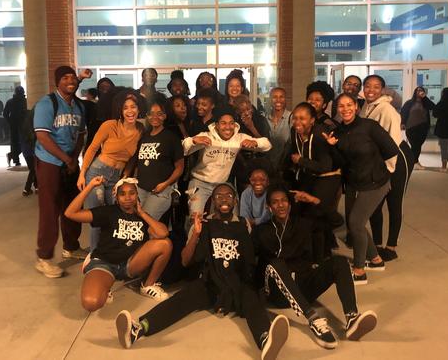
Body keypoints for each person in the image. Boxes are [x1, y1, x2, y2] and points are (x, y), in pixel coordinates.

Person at [114, 183, 290, 360]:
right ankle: (138, 329)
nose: (224, 199)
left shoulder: (243, 226)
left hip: (237, 282)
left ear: (235, 201)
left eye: (228, 195)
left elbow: (249, 262)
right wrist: (196, 234)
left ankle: (265, 339)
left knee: (252, 301)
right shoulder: (204, 225)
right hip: (210, 281)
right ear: (213, 201)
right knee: (181, 299)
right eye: (219, 196)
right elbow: (185, 261)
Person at [254, 184, 378, 349]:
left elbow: (337, 221)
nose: (281, 205)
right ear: (269, 207)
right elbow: (250, 260)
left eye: (284, 200)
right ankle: (313, 319)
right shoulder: (261, 231)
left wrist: (314, 201)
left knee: (339, 262)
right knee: (275, 264)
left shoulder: (303, 224)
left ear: (290, 204)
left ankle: (352, 318)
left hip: (304, 287)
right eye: (275, 202)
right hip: (278, 293)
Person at [323, 93, 398, 284]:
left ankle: (359, 270)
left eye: (349, 105)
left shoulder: (369, 127)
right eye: (341, 106)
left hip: (376, 182)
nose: (345, 109)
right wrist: (332, 147)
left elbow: (391, 149)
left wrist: (372, 164)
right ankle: (375, 260)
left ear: (356, 106)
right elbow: (340, 162)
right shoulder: (338, 132)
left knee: (355, 224)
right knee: (357, 223)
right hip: (355, 183)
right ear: (337, 109)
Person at [65, 177, 171, 308]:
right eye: (122, 194)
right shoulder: (109, 212)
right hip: (104, 263)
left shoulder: (143, 217)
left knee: (165, 244)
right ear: (116, 197)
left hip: (129, 264)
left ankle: (148, 285)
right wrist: (90, 186)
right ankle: (102, 284)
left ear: (137, 195)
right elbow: (70, 213)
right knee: (91, 303)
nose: (127, 197)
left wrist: (142, 213)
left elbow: (163, 233)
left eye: (132, 193)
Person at [33, 66, 88, 278]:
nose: (70, 81)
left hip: (71, 163)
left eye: (72, 77)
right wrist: (66, 159)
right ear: (58, 82)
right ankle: (44, 258)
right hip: (49, 163)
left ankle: (71, 247)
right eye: (64, 78)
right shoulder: (47, 103)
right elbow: (43, 137)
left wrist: (74, 158)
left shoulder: (78, 106)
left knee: (73, 205)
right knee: (50, 210)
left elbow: (81, 134)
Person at [78, 90, 145, 248]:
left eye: (133, 107)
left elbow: (134, 157)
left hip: (117, 177)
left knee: (117, 216)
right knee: (97, 219)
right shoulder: (110, 125)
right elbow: (92, 148)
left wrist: (126, 176)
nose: (130, 111)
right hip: (97, 173)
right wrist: (82, 174)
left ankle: (112, 251)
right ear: (120, 110)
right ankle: (94, 256)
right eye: (125, 108)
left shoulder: (141, 129)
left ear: (139, 108)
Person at [360, 75, 414, 262]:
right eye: (367, 86)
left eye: (376, 87)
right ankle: (377, 244)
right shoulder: (366, 108)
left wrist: (388, 171)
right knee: (375, 205)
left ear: (382, 90)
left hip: (398, 159)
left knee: (394, 202)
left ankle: (391, 246)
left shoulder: (387, 110)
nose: (371, 90)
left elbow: (392, 142)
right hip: (380, 161)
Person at [183, 109, 272, 219]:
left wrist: (255, 142)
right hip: (199, 182)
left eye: (231, 123)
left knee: (233, 217)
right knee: (195, 217)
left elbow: (267, 145)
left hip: (222, 184)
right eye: (223, 123)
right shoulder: (207, 136)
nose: (228, 127)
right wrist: (193, 141)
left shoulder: (239, 138)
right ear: (216, 125)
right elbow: (183, 149)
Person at [285, 102, 343, 261]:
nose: (297, 122)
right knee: (301, 211)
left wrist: (300, 161)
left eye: (302, 118)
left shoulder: (319, 135)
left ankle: (319, 257)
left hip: (329, 176)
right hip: (310, 176)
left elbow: (325, 166)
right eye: (295, 118)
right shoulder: (294, 131)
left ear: (312, 120)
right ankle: (321, 252)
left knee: (315, 213)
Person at [132, 100, 185, 221]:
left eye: (159, 113)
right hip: (141, 189)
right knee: (136, 222)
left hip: (160, 191)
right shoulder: (144, 137)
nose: (155, 117)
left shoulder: (171, 137)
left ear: (165, 116)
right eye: (151, 113)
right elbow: (138, 164)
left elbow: (180, 167)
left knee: (145, 222)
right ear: (147, 116)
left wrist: (165, 184)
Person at [401, 87, 435, 169]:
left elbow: (433, 107)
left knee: (418, 145)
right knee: (415, 145)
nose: (420, 92)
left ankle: (414, 162)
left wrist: (424, 97)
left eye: (421, 90)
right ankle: (414, 162)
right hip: (411, 127)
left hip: (423, 127)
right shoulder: (409, 103)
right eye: (418, 90)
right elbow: (403, 112)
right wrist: (402, 123)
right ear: (415, 92)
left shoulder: (425, 103)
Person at [266, 87, 291, 171]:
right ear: (270, 99)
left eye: (281, 97)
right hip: (267, 166)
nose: (278, 100)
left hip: (285, 167)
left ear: (285, 99)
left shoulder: (292, 118)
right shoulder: (264, 118)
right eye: (275, 97)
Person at [3, 85, 27, 167]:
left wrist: (10, 122)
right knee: (18, 143)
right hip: (18, 125)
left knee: (17, 143)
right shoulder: (23, 101)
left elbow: (5, 114)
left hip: (20, 125)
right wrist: (10, 122)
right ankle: (15, 159)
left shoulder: (13, 101)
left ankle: (13, 157)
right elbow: (5, 113)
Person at [20, 108, 37, 196]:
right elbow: (32, 140)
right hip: (31, 151)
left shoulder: (23, 126)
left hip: (26, 151)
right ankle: (27, 189)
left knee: (34, 169)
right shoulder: (32, 127)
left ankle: (36, 186)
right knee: (33, 169)